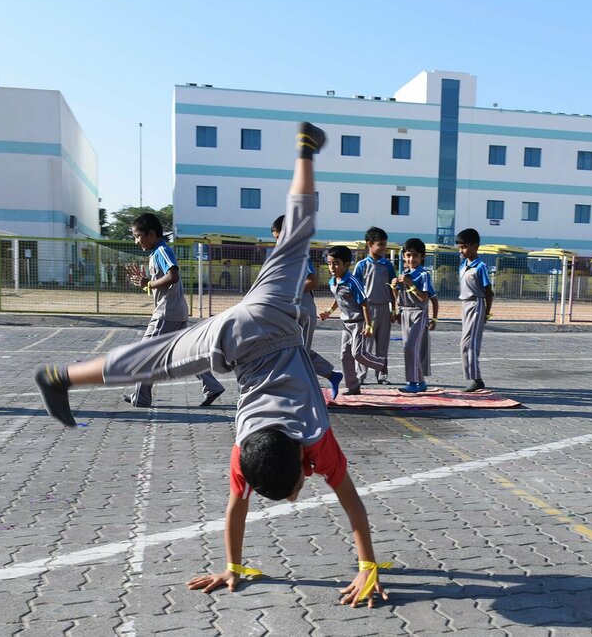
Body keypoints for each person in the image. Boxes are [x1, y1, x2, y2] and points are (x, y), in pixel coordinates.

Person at [34, 123, 388, 607]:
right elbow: (277, 504)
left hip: (251, 321)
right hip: (257, 329)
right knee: (156, 360)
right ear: (306, 470)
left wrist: (233, 568)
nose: (300, 493)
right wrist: (365, 567)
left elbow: (307, 504)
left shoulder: (291, 442)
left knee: (295, 235)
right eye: (298, 491)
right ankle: (62, 378)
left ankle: (63, 378)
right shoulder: (270, 444)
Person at [124, 212, 225, 408]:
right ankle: (212, 386)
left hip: (166, 314)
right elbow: (163, 285)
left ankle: (142, 397)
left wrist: (150, 283)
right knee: (183, 354)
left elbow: (173, 276)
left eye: (138, 236)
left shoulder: (162, 251)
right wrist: (145, 284)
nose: (137, 241)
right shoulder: (156, 253)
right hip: (174, 312)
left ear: (151, 234)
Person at [271, 215, 343, 399]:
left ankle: (304, 393)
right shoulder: (282, 257)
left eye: (279, 237)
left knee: (299, 354)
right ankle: (330, 375)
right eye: (275, 238)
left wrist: (290, 290)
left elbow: (312, 281)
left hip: (303, 311)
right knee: (293, 351)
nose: (277, 242)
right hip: (289, 312)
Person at [320, 245, 388, 396]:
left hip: (359, 323)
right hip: (346, 325)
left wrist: (369, 325)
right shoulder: (333, 282)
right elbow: (338, 299)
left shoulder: (352, 281)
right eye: (329, 263)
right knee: (345, 356)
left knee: (358, 354)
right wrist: (328, 312)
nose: (332, 267)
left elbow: (364, 304)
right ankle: (353, 386)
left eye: (336, 263)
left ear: (346, 264)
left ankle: (381, 363)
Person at [353, 228, 396, 384]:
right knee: (365, 345)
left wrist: (394, 309)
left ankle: (382, 375)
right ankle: (360, 376)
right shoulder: (361, 265)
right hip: (367, 310)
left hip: (384, 308)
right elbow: (355, 290)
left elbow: (393, 289)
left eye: (385, 244)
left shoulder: (388, 265)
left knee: (382, 344)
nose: (384, 248)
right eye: (381, 244)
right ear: (370, 244)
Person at [392, 238, 433, 393]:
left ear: (422, 256)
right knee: (407, 347)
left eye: (415, 256)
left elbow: (424, 298)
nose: (411, 259)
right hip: (405, 313)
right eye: (408, 255)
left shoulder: (423, 275)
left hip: (418, 313)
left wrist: (410, 284)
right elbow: (397, 296)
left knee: (411, 346)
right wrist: (395, 286)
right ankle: (416, 381)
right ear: (403, 256)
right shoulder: (404, 274)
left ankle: (417, 381)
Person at [455, 228, 493, 392]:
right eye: (459, 247)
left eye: (464, 247)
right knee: (465, 343)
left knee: (470, 343)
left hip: (476, 304)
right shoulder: (464, 265)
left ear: (475, 246)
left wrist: (486, 313)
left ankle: (476, 379)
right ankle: (472, 377)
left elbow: (489, 292)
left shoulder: (480, 267)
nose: (461, 251)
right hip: (465, 304)